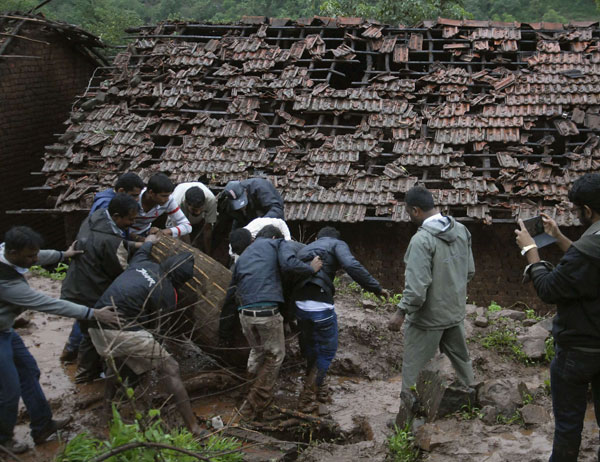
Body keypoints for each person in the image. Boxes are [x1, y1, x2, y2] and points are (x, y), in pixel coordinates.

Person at [0, 226, 118, 454]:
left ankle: (43, 425)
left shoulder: (6, 250)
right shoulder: (6, 284)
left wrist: (63, 255)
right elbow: (50, 304)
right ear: (13, 254)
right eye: (29, 256)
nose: (35, 259)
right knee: (9, 390)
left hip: (6, 331)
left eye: (35, 254)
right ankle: (4, 439)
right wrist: (92, 313)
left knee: (29, 371)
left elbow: (37, 256)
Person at [515, 173, 600, 462]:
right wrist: (559, 236)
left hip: (578, 351)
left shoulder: (584, 255)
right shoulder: (592, 247)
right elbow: (587, 260)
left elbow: (549, 289)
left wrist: (531, 250)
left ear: (587, 211)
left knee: (567, 427)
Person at [88, 239, 203, 436]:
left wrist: (150, 241)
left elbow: (145, 248)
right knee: (171, 367)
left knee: (118, 363)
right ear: (180, 282)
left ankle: (105, 417)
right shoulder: (167, 293)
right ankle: (194, 428)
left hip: (95, 322)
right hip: (120, 329)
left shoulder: (143, 262)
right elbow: (159, 333)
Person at [388, 186, 475, 427]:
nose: (408, 216)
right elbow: (469, 271)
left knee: (412, 371)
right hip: (454, 313)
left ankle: (407, 422)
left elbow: (417, 290)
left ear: (415, 210)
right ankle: (472, 406)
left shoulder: (421, 240)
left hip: (426, 320)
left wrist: (400, 312)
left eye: (408, 212)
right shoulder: (461, 230)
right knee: (462, 362)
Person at [219, 225, 322, 420]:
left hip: (244, 314)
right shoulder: (278, 242)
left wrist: (223, 331)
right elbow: (289, 264)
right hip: (265, 310)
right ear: (276, 236)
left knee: (257, 351)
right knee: (276, 356)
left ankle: (246, 390)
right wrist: (310, 269)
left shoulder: (244, 256)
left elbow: (231, 292)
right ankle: (255, 404)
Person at [293, 226, 389, 411]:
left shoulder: (305, 248)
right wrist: (375, 287)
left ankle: (320, 390)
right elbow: (351, 265)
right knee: (327, 351)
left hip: (300, 306)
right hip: (320, 305)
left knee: (312, 350)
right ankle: (307, 397)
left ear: (317, 237)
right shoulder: (337, 244)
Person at [60, 194, 139, 383]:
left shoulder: (95, 218)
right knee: (94, 332)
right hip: (89, 292)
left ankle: (75, 361)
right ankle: (84, 377)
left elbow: (106, 245)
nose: (132, 223)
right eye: (130, 219)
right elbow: (122, 273)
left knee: (87, 328)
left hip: (75, 286)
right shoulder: (111, 242)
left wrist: (134, 244)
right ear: (118, 216)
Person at [129, 173, 191, 239]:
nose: (167, 199)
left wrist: (163, 232)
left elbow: (187, 226)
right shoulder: (134, 198)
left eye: (168, 195)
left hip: (144, 232)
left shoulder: (169, 201)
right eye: (163, 196)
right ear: (151, 193)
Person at [218, 178, 285, 231]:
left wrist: (259, 224)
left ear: (245, 191)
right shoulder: (226, 200)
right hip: (248, 221)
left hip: (270, 220)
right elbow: (238, 221)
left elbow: (277, 210)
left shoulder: (260, 188)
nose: (242, 207)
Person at [166, 182, 217, 252]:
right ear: (187, 203)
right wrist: (190, 250)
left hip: (190, 214)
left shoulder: (211, 200)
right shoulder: (176, 204)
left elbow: (208, 228)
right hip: (176, 218)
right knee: (177, 242)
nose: (198, 212)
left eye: (200, 209)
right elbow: (182, 232)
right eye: (194, 210)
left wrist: (208, 252)